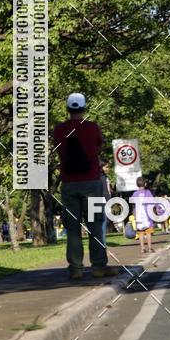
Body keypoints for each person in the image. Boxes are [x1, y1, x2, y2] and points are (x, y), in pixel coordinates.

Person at [53, 93, 119, 280]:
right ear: (83, 108)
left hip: (69, 184)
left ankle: (76, 268)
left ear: (67, 109)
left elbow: (57, 149)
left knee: (72, 227)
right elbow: (98, 146)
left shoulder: (58, 129)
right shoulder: (92, 128)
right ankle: (98, 266)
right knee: (95, 224)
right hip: (91, 183)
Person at [131, 177, 155, 255]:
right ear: (145, 184)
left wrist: (134, 215)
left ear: (137, 185)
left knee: (141, 233)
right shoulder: (148, 192)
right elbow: (152, 202)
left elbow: (133, 204)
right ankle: (150, 248)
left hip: (138, 216)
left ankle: (142, 249)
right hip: (147, 215)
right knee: (148, 232)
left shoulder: (135, 194)